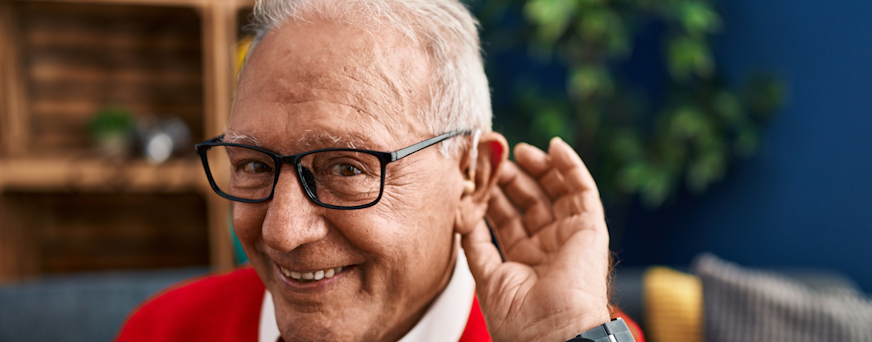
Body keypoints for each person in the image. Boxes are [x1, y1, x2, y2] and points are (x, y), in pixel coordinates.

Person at [116, 0, 643, 341]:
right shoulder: (163, 330)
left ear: (472, 176)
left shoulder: (574, 335)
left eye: (346, 167)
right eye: (254, 164)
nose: (281, 231)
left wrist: (567, 335)